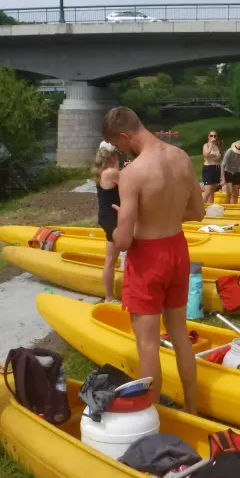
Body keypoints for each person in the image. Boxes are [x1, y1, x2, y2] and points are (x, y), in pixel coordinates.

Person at [102, 107, 204, 415]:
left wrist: (118, 221)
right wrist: (164, 216)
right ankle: (192, 407)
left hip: (148, 257)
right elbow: (198, 212)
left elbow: (123, 241)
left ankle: (152, 413)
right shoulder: (182, 157)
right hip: (177, 248)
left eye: (118, 145)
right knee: (179, 334)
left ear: (124, 136)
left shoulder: (132, 173)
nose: (121, 151)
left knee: (147, 344)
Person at [95, 141, 122, 302]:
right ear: (113, 156)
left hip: (106, 215)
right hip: (114, 216)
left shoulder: (101, 171)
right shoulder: (112, 172)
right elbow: (130, 184)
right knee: (132, 253)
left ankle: (109, 297)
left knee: (110, 260)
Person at [220, 141, 240, 205]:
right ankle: (227, 206)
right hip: (228, 171)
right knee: (229, 192)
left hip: (236, 172)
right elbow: (222, 165)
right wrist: (223, 178)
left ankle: (233, 206)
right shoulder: (229, 151)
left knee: (236, 193)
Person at [201, 130, 222, 204]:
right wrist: (210, 145)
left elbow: (219, 159)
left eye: (215, 136)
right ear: (208, 137)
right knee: (207, 191)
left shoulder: (217, 146)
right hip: (208, 168)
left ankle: (210, 206)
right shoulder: (206, 145)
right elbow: (206, 154)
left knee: (212, 191)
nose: (213, 137)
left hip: (216, 168)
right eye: (211, 136)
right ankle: (200, 207)